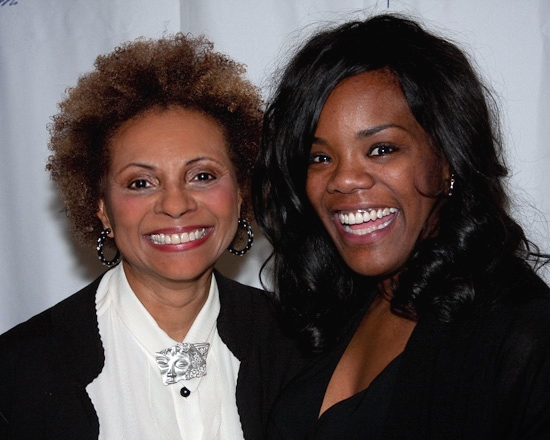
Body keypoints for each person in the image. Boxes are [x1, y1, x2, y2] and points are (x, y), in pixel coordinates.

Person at [253, 13, 550, 439]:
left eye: (381, 149)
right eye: (320, 157)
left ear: (448, 157)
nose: (343, 179)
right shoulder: (334, 307)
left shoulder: (522, 334)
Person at [0, 34, 302, 439]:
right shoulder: (18, 371)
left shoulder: (303, 344)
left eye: (202, 176)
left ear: (241, 190)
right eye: (141, 183)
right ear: (101, 206)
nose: (175, 205)